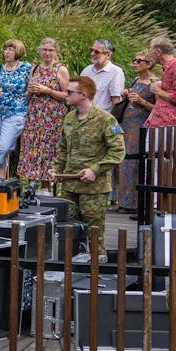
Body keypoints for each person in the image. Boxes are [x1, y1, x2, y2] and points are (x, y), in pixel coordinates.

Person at [57, 75, 124, 262]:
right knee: (67, 231)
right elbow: (63, 148)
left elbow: (118, 152)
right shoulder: (69, 118)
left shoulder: (105, 120)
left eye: (70, 92)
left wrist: (95, 169)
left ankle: (96, 271)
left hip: (94, 189)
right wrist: (56, 169)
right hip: (70, 186)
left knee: (94, 234)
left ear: (83, 94)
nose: (65, 95)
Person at [17, 38, 70, 189]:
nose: (47, 53)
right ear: (40, 51)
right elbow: (28, 92)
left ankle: (46, 187)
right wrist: (29, 92)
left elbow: (67, 95)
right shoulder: (34, 69)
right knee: (32, 148)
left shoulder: (60, 69)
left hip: (52, 117)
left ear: (56, 52)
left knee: (48, 151)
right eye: (45, 50)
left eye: (51, 50)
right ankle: (32, 184)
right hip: (34, 116)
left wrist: (47, 91)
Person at [116, 51, 158, 213]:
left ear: (149, 64)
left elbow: (158, 109)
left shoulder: (155, 83)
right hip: (127, 125)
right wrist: (126, 93)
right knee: (124, 162)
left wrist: (142, 101)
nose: (135, 63)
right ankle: (124, 202)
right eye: (134, 60)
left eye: (139, 61)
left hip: (141, 127)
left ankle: (135, 204)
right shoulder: (136, 80)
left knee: (135, 164)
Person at [0, 39, 32, 178]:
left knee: (4, 146)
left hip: (16, 112)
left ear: (18, 51)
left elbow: (31, 89)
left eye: (11, 49)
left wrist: (27, 95)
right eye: (6, 49)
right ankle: (1, 181)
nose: (7, 52)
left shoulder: (27, 68)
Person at [79, 39, 126, 114]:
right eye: (91, 50)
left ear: (108, 55)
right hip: (83, 115)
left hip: (102, 118)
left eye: (96, 52)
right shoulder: (87, 70)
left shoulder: (116, 72)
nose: (92, 54)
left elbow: (116, 101)